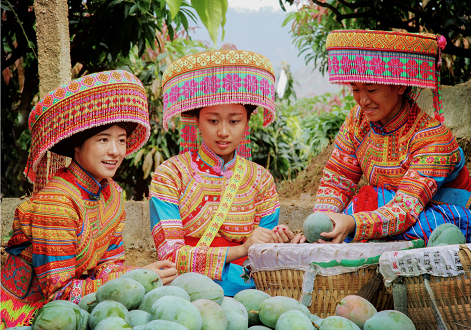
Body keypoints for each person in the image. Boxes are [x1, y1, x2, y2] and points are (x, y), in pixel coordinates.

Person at [1, 70, 178, 329]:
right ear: (77, 145)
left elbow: (107, 268)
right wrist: (137, 279)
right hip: (30, 316)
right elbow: (59, 295)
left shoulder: (113, 195)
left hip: (81, 308)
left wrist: (143, 274)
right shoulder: (56, 203)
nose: (115, 151)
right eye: (103, 139)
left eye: (121, 140)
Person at [293, 30, 471, 245]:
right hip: (398, 210)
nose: (362, 101)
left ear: (400, 85)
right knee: (364, 203)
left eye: (371, 89)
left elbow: (406, 208)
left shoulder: (434, 138)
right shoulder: (357, 121)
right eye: (355, 89)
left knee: (401, 215)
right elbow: (338, 178)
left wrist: (354, 222)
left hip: (455, 212)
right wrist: (325, 223)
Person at [149, 50, 295, 296]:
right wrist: (241, 249)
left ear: (248, 121)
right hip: (188, 291)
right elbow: (170, 254)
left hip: (250, 291)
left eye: (234, 121)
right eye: (213, 121)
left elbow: (263, 254)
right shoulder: (170, 175)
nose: (224, 132)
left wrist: (279, 240)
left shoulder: (261, 180)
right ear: (196, 120)